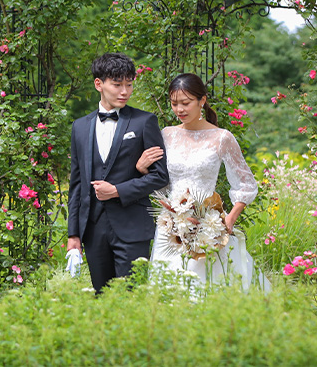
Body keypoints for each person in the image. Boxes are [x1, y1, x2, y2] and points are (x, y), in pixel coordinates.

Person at [137, 73, 270, 291]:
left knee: (206, 288)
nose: (179, 109)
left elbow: (245, 183)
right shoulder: (166, 135)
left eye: (186, 103)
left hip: (207, 225)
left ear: (202, 100)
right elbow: (160, 184)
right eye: (174, 104)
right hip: (170, 227)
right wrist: (142, 169)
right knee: (169, 290)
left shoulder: (222, 138)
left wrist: (228, 221)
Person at [67, 53, 169, 293]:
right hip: (93, 229)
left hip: (132, 227)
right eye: (117, 84)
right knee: (102, 297)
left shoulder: (145, 122)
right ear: (99, 84)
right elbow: (77, 183)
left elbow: (160, 176)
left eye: (129, 84)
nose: (125, 91)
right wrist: (74, 235)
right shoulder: (80, 126)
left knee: (131, 298)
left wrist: (117, 191)